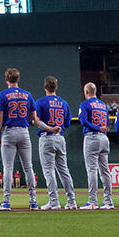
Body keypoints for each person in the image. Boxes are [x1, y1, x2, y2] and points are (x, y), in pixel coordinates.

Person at [0, 67, 36, 210]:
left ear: (6, 79)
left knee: (8, 167)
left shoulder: (2, 95)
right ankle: (33, 201)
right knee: (28, 167)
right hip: (24, 131)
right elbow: (33, 118)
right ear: (18, 79)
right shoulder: (28, 95)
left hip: (8, 131)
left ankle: (6, 201)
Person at [31, 76, 74, 210]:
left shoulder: (41, 101)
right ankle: (71, 201)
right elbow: (67, 123)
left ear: (45, 87)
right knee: (64, 171)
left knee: (49, 171)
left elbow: (35, 120)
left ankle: (54, 201)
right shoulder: (64, 103)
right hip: (60, 137)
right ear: (56, 87)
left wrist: (49, 127)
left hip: (47, 137)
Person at [77, 82, 113, 209]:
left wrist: (97, 127)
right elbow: (108, 122)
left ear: (86, 92)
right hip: (104, 138)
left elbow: (83, 121)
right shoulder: (103, 105)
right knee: (105, 171)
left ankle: (92, 201)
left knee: (92, 170)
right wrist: (101, 128)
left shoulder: (85, 104)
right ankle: (108, 201)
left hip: (92, 137)